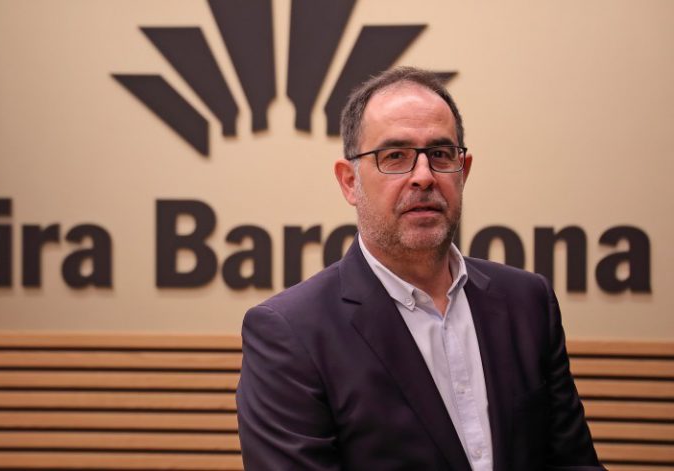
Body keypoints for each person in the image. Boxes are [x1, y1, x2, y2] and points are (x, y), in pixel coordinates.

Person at [236, 66, 604, 471]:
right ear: (349, 182)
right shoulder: (291, 333)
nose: (424, 177)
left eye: (441, 155)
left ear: (463, 172)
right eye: (395, 156)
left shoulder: (528, 303)